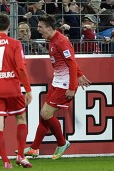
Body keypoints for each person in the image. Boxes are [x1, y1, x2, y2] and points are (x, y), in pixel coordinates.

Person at [19, 14, 91, 159]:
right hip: (57, 81)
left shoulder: (60, 41)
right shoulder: (52, 40)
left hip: (65, 85)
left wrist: (72, 86)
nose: (38, 29)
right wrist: (80, 74)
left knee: (45, 114)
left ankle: (62, 143)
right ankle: (34, 148)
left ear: (49, 27)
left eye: (40, 27)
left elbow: (71, 63)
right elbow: (69, 61)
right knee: (44, 115)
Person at [0, 13, 33, 169]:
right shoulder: (15, 43)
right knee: (21, 119)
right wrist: (28, 89)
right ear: (9, 26)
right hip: (13, 88)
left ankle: (5, 161)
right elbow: (21, 68)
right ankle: (21, 156)